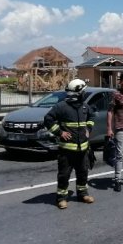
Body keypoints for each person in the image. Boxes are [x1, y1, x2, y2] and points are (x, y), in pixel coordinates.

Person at [43, 79, 95, 209]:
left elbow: (92, 116)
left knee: (83, 172)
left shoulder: (84, 106)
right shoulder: (61, 107)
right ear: (78, 92)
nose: (85, 94)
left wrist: (88, 129)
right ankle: (61, 198)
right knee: (64, 175)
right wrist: (60, 133)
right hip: (66, 151)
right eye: (83, 91)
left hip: (83, 149)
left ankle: (83, 194)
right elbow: (47, 119)